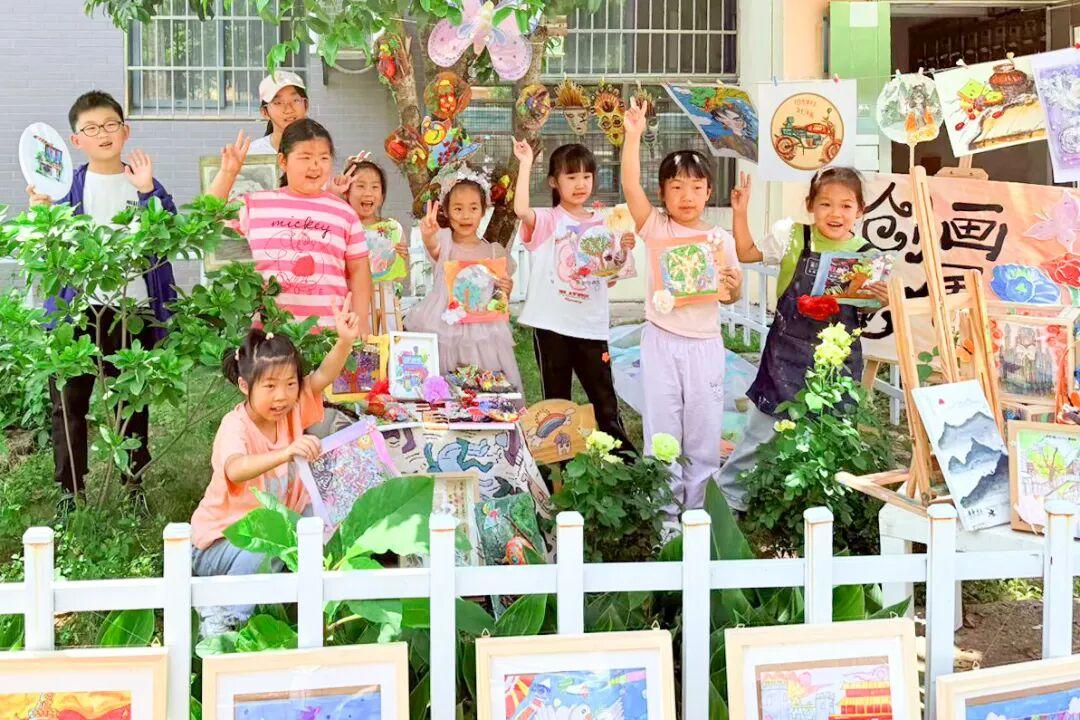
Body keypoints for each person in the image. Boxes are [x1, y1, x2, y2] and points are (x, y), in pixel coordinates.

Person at [27, 90, 177, 497]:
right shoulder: (65, 189)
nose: (103, 134)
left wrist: (147, 191)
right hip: (76, 312)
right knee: (67, 405)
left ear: (125, 131)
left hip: (132, 310)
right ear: (76, 140)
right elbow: (45, 249)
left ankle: (133, 486)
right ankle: (70, 493)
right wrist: (40, 215)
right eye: (91, 128)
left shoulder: (143, 181)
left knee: (131, 403)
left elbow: (169, 233)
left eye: (111, 125)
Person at [715, 167, 889, 512]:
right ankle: (727, 500)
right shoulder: (792, 236)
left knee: (829, 434)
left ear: (860, 210)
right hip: (785, 356)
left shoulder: (870, 257)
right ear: (810, 205)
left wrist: (881, 299)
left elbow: (865, 312)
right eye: (825, 204)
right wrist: (740, 211)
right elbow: (747, 253)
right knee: (761, 434)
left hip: (836, 364)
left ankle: (814, 507)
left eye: (846, 205)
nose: (835, 213)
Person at [190, 294, 362, 635]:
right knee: (269, 542)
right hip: (218, 545)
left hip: (273, 531)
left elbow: (322, 377)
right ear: (244, 385)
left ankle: (321, 604)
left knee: (322, 518)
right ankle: (224, 616)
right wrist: (286, 453)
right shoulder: (235, 427)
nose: (281, 396)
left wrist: (344, 341)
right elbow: (235, 469)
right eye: (269, 386)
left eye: (290, 384)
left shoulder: (292, 410)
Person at [621, 97, 742, 519]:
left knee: (704, 429)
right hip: (661, 341)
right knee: (663, 428)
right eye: (676, 187)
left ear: (709, 192)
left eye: (695, 187)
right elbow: (630, 188)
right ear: (663, 194)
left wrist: (734, 287)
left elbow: (731, 294)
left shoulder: (721, 240)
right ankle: (665, 515)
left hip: (705, 346)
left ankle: (699, 513)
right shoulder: (656, 227)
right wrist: (633, 136)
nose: (686, 196)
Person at [511, 140, 636, 453]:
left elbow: (607, 279)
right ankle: (559, 468)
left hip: (590, 326)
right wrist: (525, 163)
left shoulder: (603, 223)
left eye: (586, 176)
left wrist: (622, 252)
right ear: (554, 182)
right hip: (552, 326)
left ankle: (624, 462)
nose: (581, 184)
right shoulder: (548, 220)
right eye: (571, 177)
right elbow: (521, 210)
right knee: (556, 403)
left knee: (604, 399)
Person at [207, 120, 373, 333]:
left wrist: (361, 325)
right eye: (305, 157)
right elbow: (209, 218)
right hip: (269, 338)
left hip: (329, 337)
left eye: (323, 158)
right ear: (283, 161)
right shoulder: (256, 204)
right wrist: (228, 173)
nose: (315, 166)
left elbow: (359, 272)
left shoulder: (345, 213)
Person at [403, 168, 522, 391]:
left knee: (486, 384)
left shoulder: (493, 252)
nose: (466, 215)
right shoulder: (444, 243)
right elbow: (433, 247)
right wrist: (428, 235)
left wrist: (507, 288)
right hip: (447, 328)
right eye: (458, 209)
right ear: (447, 212)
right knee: (449, 383)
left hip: (483, 333)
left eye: (473, 208)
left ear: (483, 210)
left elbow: (500, 293)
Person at [247, 71, 309, 157]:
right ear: (265, 112)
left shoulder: (321, 147)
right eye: (278, 103)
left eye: (295, 100)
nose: (289, 110)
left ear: (306, 105)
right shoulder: (253, 152)